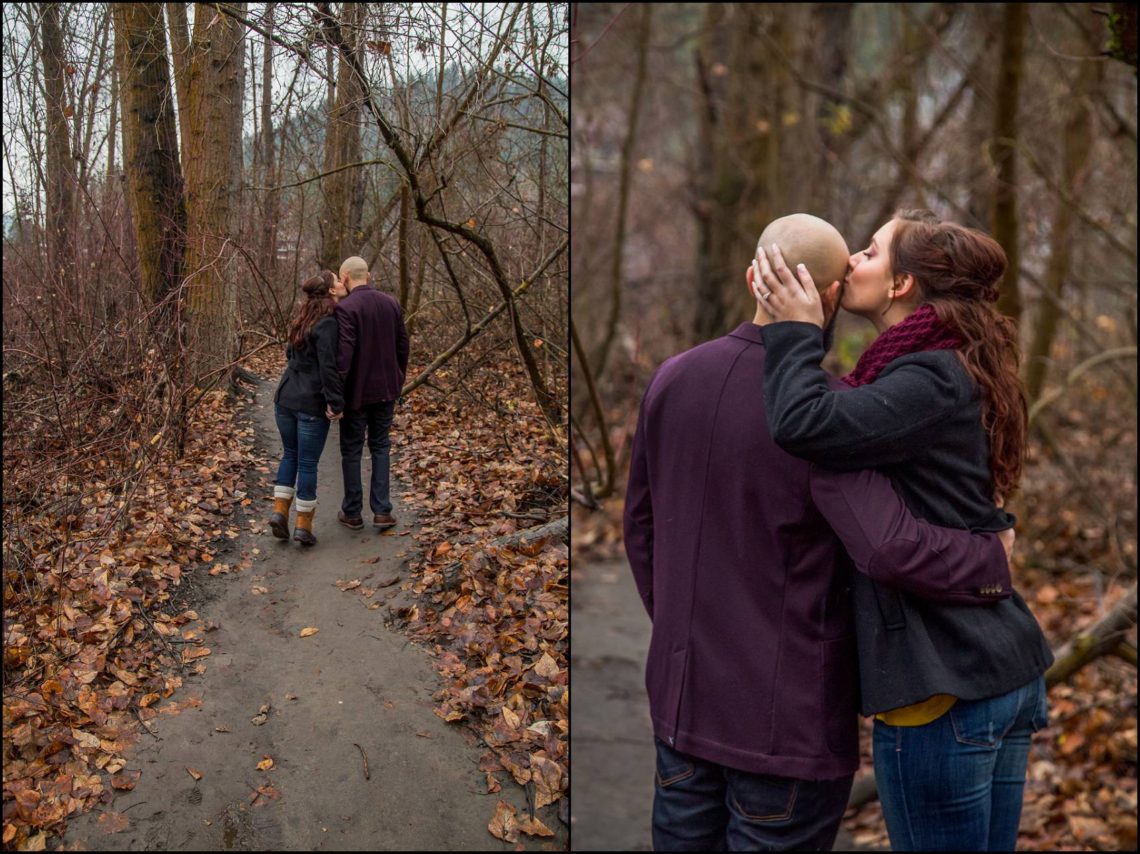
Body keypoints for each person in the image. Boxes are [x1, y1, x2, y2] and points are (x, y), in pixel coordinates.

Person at [624, 213, 1017, 852]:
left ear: (755, 276)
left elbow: (641, 531)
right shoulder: (833, 420)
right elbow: (888, 546)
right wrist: (990, 557)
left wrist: (681, 630)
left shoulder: (670, 379)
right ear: (830, 296)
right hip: (789, 721)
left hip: (682, 702)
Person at [752, 209, 1054, 852]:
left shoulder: (929, 377)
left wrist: (795, 332)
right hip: (994, 671)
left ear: (901, 286)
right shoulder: (940, 365)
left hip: (945, 685)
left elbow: (804, 423)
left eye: (869, 252)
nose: (852, 261)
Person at [269, 270, 347, 546]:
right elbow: (328, 367)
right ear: (329, 291)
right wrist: (335, 403)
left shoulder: (301, 318)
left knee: (290, 454)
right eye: (337, 280)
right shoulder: (328, 323)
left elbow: (290, 355)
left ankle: (280, 512)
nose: (342, 283)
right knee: (308, 462)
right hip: (310, 403)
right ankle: (303, 526)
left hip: (285, 397)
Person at [333, 256, 409, 531]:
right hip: (387, 389)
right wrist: (398, 379)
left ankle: (353, 511)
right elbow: (403, 346)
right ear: (369, 275)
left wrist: (336, 395)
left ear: (343, 278)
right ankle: (382, 511)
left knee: (352, 450)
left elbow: (344, 356)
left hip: (357, 392)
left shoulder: (346, 308)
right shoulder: (391, 303)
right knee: (380, 447)